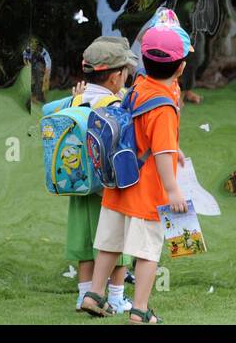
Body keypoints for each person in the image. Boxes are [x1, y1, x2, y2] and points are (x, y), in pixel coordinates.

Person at [80, 26, 186, 324]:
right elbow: (162, 153)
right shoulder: (164, 105)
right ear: (181, 67)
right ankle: (140, 309)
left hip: (119, 185)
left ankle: (94, 294)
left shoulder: (138, 87)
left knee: (109, 245)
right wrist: (173, 190)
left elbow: (139, 131)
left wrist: (174, 148)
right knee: (147, 253)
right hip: (147, 192)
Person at [63, 36, 135, 313]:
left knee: (85, 239)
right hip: (109, 186)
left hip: (79, 183)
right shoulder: (115, 104)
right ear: (116, 76)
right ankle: (115, 297)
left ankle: (84, 295)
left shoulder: (76, 98)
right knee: (115, 241)